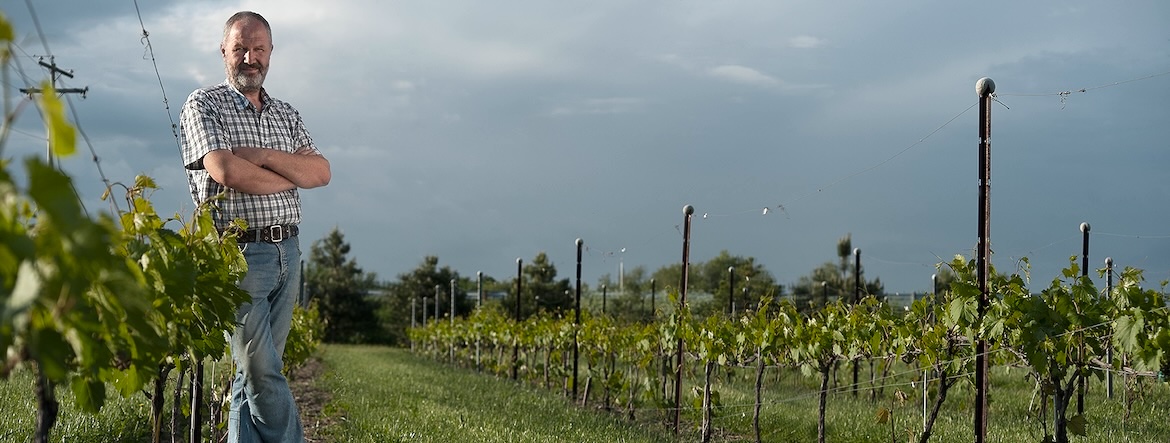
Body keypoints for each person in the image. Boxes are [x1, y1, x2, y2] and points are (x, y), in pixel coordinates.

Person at [179, 11, 330, 443]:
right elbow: (225, 169)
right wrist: (289, 178)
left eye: (259, 49)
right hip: (240, 254)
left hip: (289, 253)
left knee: (255, 377)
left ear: (270, 53)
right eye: (241, 48)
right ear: (224, 51)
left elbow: (320, 171)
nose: (251, 57)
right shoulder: (204, 103)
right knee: (262, 372)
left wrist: (262, 157)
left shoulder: (286, 113)